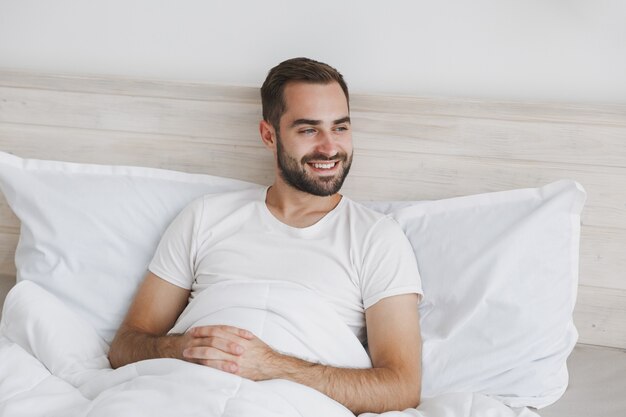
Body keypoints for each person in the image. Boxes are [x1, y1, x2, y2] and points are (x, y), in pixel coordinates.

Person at [108, 57, 423, 414]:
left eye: (340, 127)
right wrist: (181, 348)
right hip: (182, 392)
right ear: (269, 135)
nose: (329, 147)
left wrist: (272, 366)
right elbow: (125, 346)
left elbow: (401, 388)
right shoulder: (205, 217)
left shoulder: (377, 238)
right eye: (308, 130)